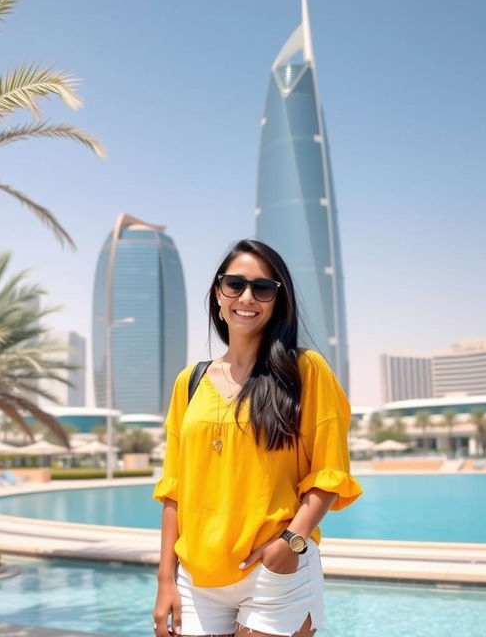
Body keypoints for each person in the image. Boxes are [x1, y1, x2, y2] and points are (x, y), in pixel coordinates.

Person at [152, 239, 362, 637]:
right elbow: (174, 489)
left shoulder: (305, 371)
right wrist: (166, 578)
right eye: (235, 284)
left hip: (274, 569)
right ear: (218, 293)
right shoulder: (189, 383)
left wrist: (290, 543)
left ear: (277, 301)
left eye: (263, 288)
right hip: (197, 577)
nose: (247, 297)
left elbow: (330, 472)